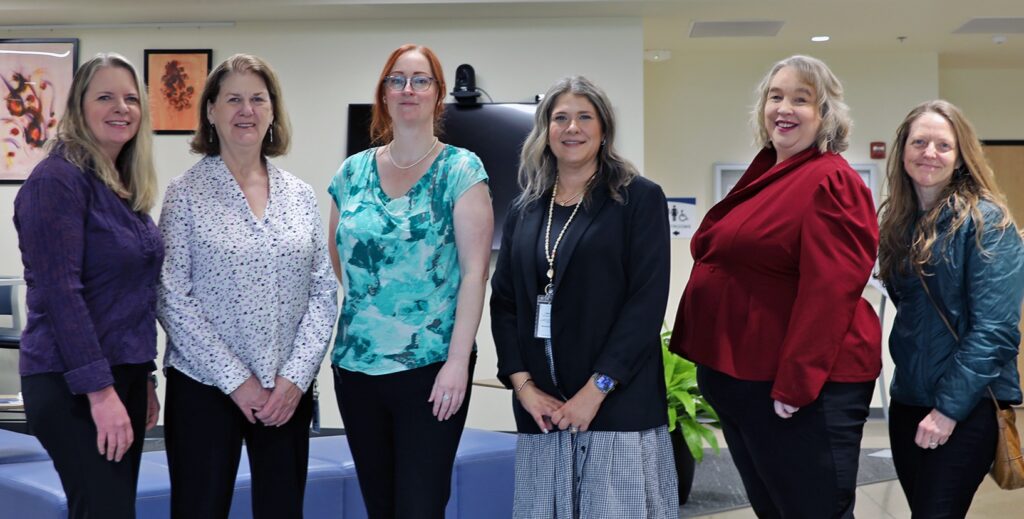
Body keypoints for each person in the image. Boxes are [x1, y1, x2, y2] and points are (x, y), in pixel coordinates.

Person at [668, 55, 881, 518]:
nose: (784, 108)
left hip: (800, 391)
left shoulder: (830, 180)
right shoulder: (772, 172)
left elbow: (830, 293)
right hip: (747, 382)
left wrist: (796, 385)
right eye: (775, 96)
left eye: (801, 100)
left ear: (825, 114)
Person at [157, 54, 337, 518]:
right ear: (211, 111)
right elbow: (170, 296)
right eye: (233, 99)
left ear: (273, 111)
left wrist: (295, 378)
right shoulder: (185, 193)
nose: (246, 110)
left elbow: (322, 292)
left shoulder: (300, 195)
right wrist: (238, 382)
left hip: (285, 393)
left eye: (258, 99)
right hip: (205, 386)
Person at [491, 75, 677, 518]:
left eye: (584, 117)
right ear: (545, 130)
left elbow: (646, 303)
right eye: (560, 118)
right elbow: (505, 304)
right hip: (543, 413)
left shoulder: (638, 199)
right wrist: (524, 388)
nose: (571, 128)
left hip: (615, 407)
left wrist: (595, 392)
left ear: (604, 128)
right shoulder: (524, 208)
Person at [326, 44, 492, 518]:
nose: (408, 89)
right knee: (380, 505)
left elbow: (475, 273)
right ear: (384, 93)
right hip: (357, 367)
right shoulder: (351, 172)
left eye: (421, 80)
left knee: (420, 505)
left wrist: (457, 362)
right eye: (396, 80)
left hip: (432, 369)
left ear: (439, 94)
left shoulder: (461, 169)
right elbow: (340, 259)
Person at [13, 53, 162, 518]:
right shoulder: (56, 182)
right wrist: (100, 392)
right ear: (79, 107)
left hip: (123, 376)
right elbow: (63, 296)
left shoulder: (119, 186)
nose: (121, 108)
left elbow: (131, 295)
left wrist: (145, 378)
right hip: (72, 383)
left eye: (131, 99)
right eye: (105, 97)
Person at [877, 100, 1024, 517]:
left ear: (960, 157)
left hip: (966, 407)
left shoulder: (987, 224)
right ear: (903, 151)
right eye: (919, 142)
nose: (930, 153)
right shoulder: (898, 224)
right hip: (908, 401)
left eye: (943, 145)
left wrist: (947, 410)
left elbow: (995, 331)